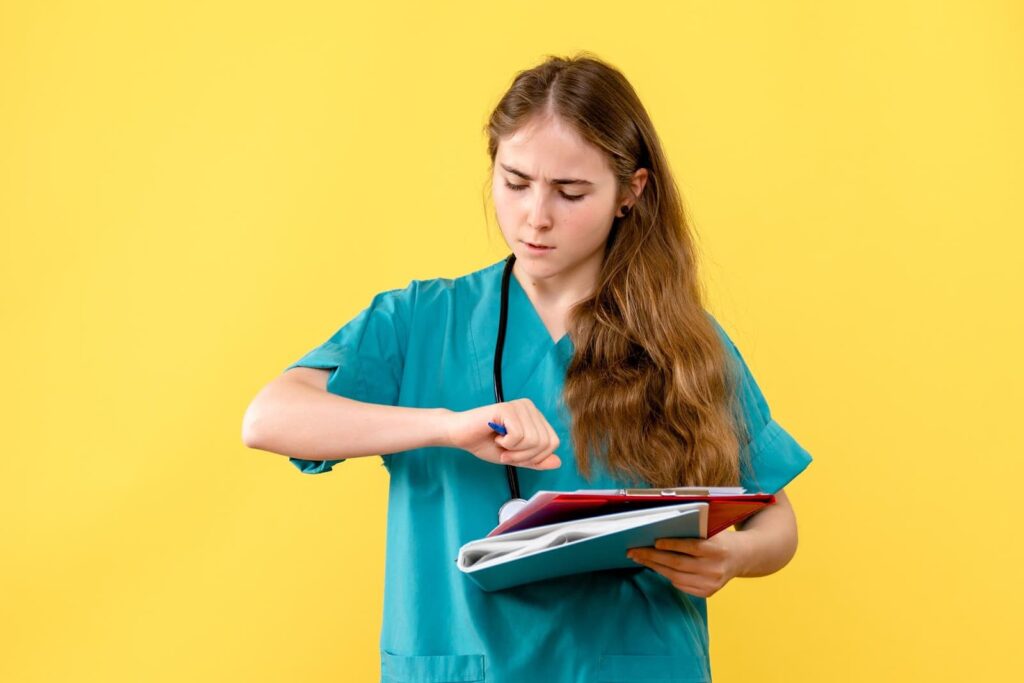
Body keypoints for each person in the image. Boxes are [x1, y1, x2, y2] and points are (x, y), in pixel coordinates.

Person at [242, 52, 813, 683]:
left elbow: (776, 517)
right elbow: (269, 418)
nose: (535, 217)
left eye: (571, 193)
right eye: (515, 183)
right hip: (462, 662)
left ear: (631, 192)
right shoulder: (419, 320)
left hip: (637, 665)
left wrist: (734, 556)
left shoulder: (682, 341)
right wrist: (447, 427)